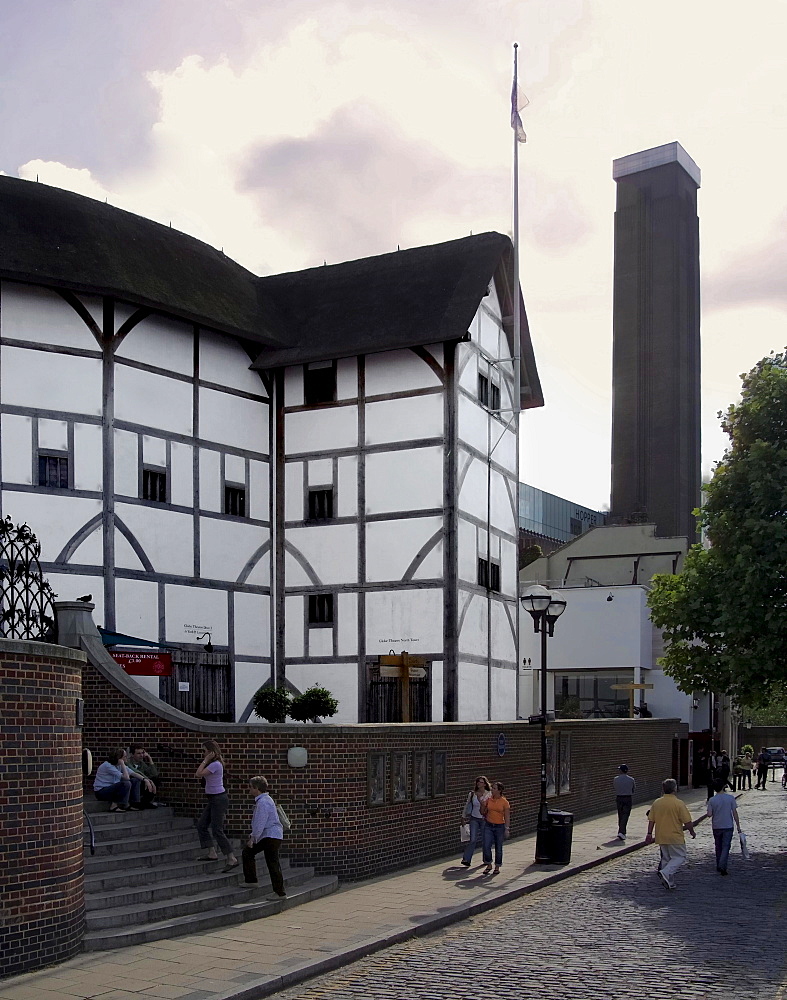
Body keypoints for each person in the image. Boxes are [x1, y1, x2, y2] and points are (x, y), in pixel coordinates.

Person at [644, 778, 696, 890]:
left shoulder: (657, 803)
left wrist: (649, 833)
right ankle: (665, 873)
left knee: (666, 859)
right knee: (680, 857)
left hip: (661, 835)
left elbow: (651, 820)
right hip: (675, 835)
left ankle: (669, 882)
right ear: (675, 788)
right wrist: (692, 831)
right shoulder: (678, 803)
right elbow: (687, 821)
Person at [195, 739, 238, 872]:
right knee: (202, 825)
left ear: (211, 752)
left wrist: (205, 760)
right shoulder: (212, 764)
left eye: (204, 751)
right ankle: (211, 852)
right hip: (213, 799)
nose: (203, 754)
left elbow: (198, 774)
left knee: (217, 829)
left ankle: (231, 857)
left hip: (219, 799)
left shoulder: (215, 765)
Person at [241, 775, 286, 898]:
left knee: (249, 853)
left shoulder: (262, 803)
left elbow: (260, 822)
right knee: (272, 862)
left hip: (269, 835)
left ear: (256, 788)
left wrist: (253, 838)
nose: (249, 790)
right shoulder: (267, 799)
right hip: (274, 835)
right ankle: (277, 890)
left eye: (250, 787)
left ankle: (277, 891)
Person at [706, 781, 742, 875]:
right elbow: (734, 813)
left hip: (717, 826)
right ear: (723, 787)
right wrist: (738, 826)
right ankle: (723, 865)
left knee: (718, 846)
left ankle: (719, 865)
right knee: (726, 846)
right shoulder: (730, 798)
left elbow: (709, 814)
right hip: (728, 825)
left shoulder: (712, 800)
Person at [460, 775, 491, 867]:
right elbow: (467, 805)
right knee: (472, 839)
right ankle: (466, 859)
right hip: (474, 818)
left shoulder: (489, 794)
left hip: (484, 819)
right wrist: (463, 816)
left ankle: (486, 859)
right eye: (478, 782)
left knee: (485, 840)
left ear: (485, 784)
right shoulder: (472, 794)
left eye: (481, 782)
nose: (478, 784)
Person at [481, 781, 510, 875]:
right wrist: (482, 805)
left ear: (499, 790)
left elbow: (507, 816)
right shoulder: (489, 799)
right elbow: (482, 812)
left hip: (499, 826)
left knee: (498, 847)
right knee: (486, 845)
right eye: (492, 788)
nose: (492, 790)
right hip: (489, 825)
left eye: (494, 788)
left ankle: (497, 866)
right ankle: (488, 864)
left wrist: (507, 828)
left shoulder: (504, 802)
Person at [613, 764, 636, 841]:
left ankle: (622, 832)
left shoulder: (616, 779)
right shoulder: (631, 779)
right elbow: (633, 789)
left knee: (620, 814)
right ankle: (622, 832)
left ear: (620, 770)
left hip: (619, 798)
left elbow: (615, 787)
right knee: (626, 815)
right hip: (628, 798)